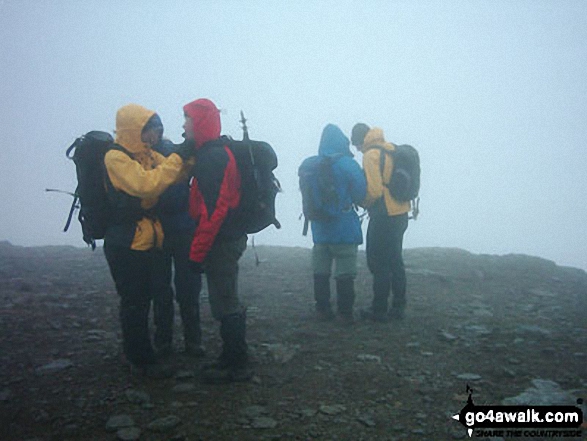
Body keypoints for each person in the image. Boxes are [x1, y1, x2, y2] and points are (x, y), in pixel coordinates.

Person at [102, 103, 195, 378]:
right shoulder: (115, 158)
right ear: (135, 130)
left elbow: (175, 174)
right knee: (134, 300)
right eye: (150, 132)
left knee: (145, 297)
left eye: (157, 132)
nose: (154, 137)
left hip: (146, 240)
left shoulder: (147, 155)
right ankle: (139, 358)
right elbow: (146, 185)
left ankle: (145, 355)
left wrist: (189, 155)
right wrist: (180, 157)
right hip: (125, 242)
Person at [182, 98, 252, 383]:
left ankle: (235, 363)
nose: (183, 125)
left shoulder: (212, 158)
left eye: (187, 119)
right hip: (227, 236)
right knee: (225, 296)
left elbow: (214, 212)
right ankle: (233, 357)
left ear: (199, 122)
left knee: (224, 299)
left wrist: (196, 254)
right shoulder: (214, 152)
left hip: (221, 240)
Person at [150, 117, 206, 359]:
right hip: (183, 229)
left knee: (162, 289)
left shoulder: (149, 159)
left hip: (161, 231)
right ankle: (193, 342)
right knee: (187, 288)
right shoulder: (181, 156)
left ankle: (164, 343)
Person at [299, 124, 366, 324]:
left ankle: (322, 309)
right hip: (343, 226)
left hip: (319, 227)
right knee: (345, 270)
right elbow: (361, 193)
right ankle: (344, 314)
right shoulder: (348, 164)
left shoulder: (309, 165)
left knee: (321, 270)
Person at [351, 123, 410, 321]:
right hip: (401, 211)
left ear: (361, 140)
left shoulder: (371, 155)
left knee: (379, 262)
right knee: (395, 259)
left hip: (383, 215)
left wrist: (363, 202)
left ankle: (379, 309)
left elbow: (375, 191)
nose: (358, 150)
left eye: (357, 145)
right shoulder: (391, 149)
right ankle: (399, 306)